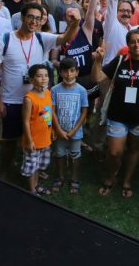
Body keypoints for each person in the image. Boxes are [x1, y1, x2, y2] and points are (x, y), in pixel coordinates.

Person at [0, 3, 80, 180]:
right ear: (22, 17)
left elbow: (64, 39)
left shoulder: (41, 38)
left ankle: (33, 171)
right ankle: (4, 172)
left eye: (38, 18)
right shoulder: (5, 39)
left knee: (36, 138)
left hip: (37, 101)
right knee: (9, 141)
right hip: (11, 100)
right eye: (30, 17)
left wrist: (74, 24)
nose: (34, 21)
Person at [92, 30, 139, 198]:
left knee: (134, 149)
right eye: (132, 42)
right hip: (118, 115)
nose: (136, 44)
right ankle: (111, 177)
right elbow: (97, 77)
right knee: (114, 152)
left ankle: (127, 180)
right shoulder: (120, 61)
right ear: (127, 45)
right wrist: (97, 60)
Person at [51, 58, 89, 195]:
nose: (68, 74)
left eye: (72, 71)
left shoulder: (82, 91)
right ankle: (60, 176)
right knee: (59, 153)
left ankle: (74, 178)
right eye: (65, 71)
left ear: (77, 72)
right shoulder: (55, 90)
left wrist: (74, 130)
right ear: (60, 72)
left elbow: (84, 112)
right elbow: (52, 111)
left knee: (75, 154)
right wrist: (58, 130)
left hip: (75, 132)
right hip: (59, 131)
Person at [21, 64, 54, 195]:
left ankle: (36, 184)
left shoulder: (47, 93)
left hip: (45, 138)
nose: (43, 78)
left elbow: (49, 114)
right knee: (32, 166)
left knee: (39, 165)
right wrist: (29, 141)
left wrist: (52, 131)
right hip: (33, 141)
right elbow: (25, 121)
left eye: (46, 75)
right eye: (39, 76)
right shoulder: (29, 99)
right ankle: (32, 190)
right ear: (31, 79)